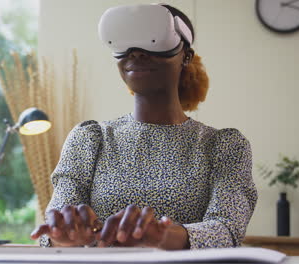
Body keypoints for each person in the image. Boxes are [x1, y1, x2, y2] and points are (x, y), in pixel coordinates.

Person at [30, 3, 257, 250]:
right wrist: (61, 235)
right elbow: (55, 229)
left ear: (186, 56)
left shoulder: (224, 146)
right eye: (126, 45)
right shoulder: (90, 139)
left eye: (153, 41)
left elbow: (227, 230)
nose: (136, 53)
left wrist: (162, 236)